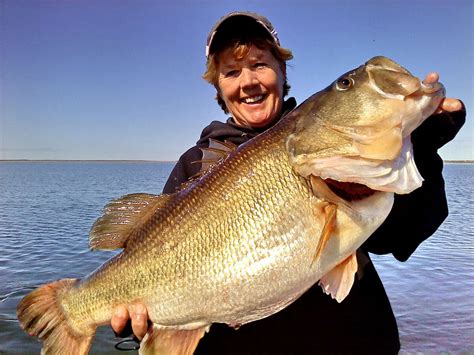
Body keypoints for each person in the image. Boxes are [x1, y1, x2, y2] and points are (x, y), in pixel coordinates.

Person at [111, 12, 466, 353]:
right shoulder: (194, 164)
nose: (248, 82)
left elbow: (400, 237)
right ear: (219, 88)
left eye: (260, 64)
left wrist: (422, 148)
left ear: (282, 71)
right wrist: (135, 317)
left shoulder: (332, 151)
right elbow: (152, 265)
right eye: (231, 72)